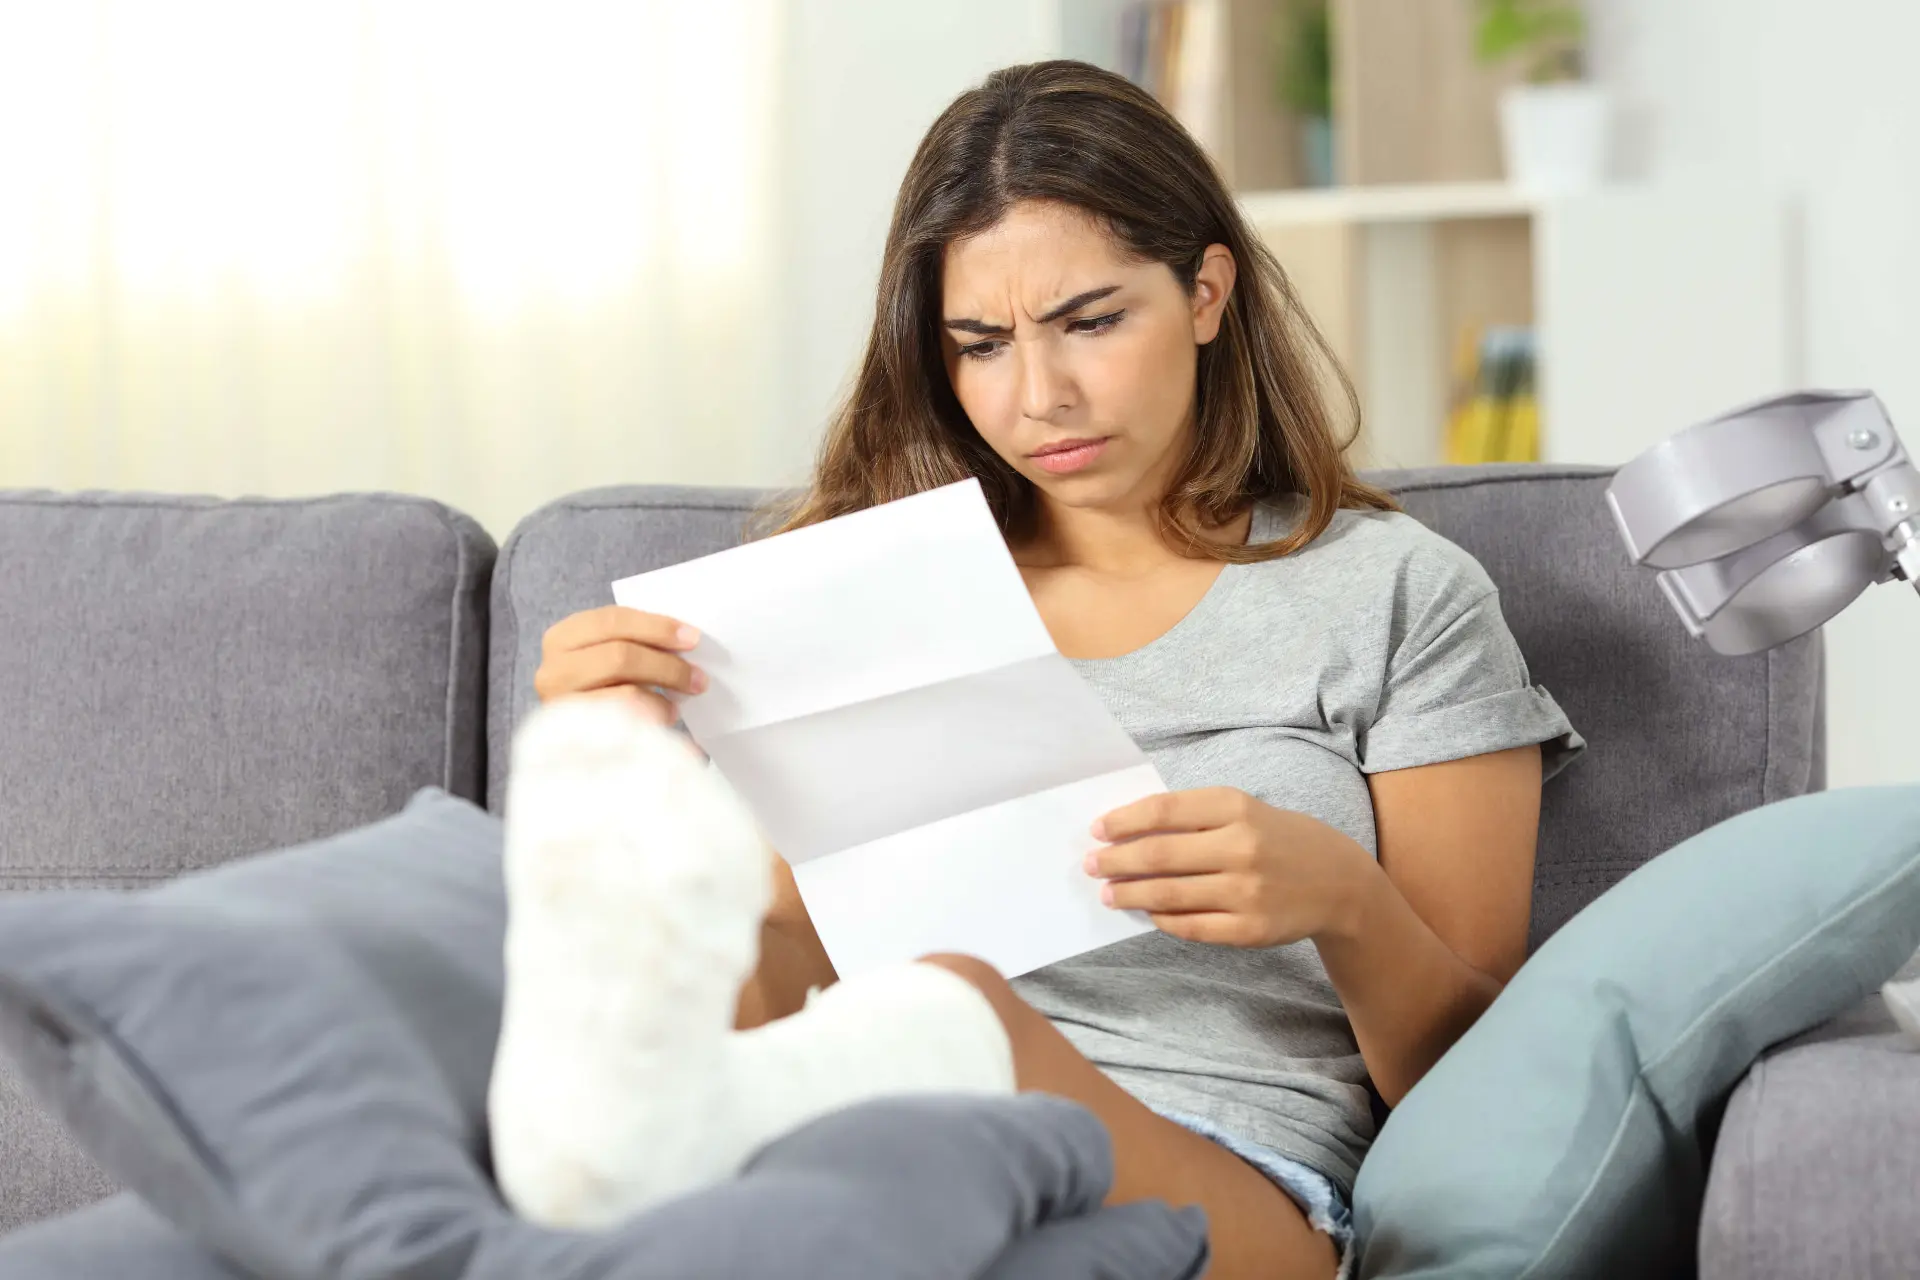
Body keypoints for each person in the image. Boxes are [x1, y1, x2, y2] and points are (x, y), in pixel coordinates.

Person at [493, 60, 1582, 1280]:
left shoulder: (1398, 594)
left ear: (1208, 291)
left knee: (949, 1017)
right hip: (866, 1139)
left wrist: (1344, 900)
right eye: (980, 344)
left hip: (1233, 1172)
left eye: (1091, 321)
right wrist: (622, 773)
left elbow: (1487, 1092)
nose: (1039, 397)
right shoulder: (851, 596)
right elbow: (777, 970)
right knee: (471, 938)